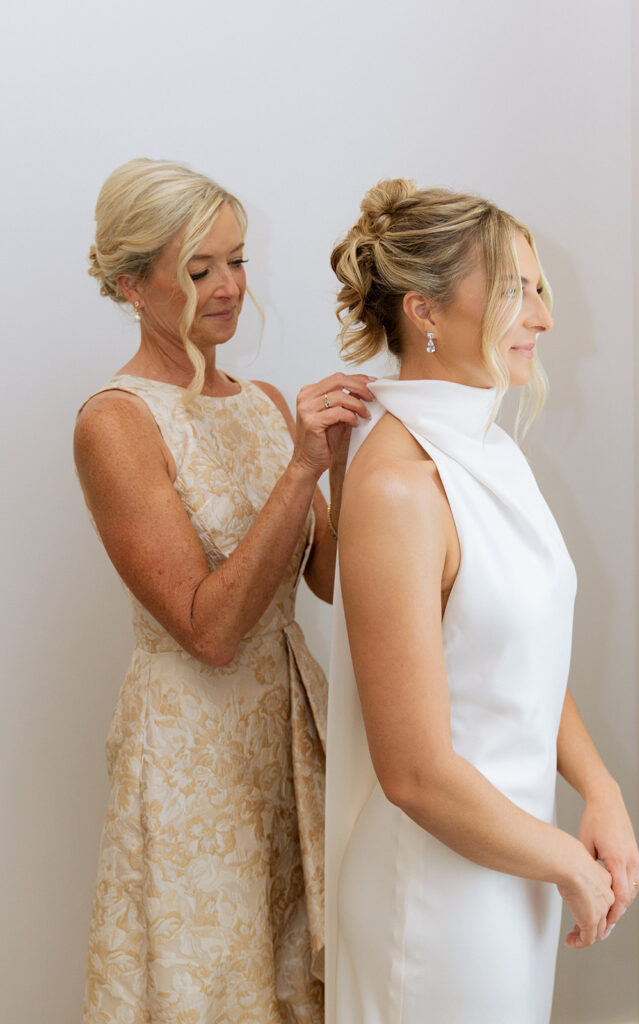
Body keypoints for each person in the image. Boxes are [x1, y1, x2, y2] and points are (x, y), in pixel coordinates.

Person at [324, 180, 639, 1024]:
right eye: (514, 290)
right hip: (433, 903)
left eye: (539, 289)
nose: (542, 317)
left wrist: (598, 790)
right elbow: (413, 774)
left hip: (515, 875)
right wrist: (566, 865)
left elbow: (516, 658)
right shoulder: (397, 486)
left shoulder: (491, 453)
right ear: (424, 311)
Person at [75, 157, 374, 1024]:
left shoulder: (265, 403)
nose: (229, 288)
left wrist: (339, 463)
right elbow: (209, 630)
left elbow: (331, 581)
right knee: (207, 979)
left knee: (291, 981)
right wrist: (301, 470)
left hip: (287, 733)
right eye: (199, 269)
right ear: (133, 284)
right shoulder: (116, 421)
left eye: (237, 261)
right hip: (189, 751)